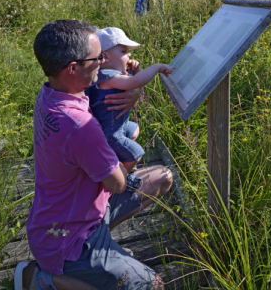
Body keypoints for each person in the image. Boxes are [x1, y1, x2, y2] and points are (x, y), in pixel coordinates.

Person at [17, 19, 173, 290]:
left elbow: (108, 99)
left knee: (163, 177)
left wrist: (132, 89)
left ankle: (102, 257)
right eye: (97, 57)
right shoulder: (80, 126)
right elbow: (118, 183)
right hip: (69, 239)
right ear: (73, 67)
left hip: (71, 214)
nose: (103, 61)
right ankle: (43, 279)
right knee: (152, 285)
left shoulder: (52, 93)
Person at [86, 27, 174, 175]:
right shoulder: (107, 76)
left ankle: (117, 161)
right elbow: (135, 82)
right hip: (110, 134)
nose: (129, 54)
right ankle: (120, 180)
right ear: (105, 56)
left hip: (114, 127)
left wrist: (137, 69)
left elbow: (137, 82)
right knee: (136, 154)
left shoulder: (109, 74)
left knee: (133, 129)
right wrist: (157, 67)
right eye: (123, 51)